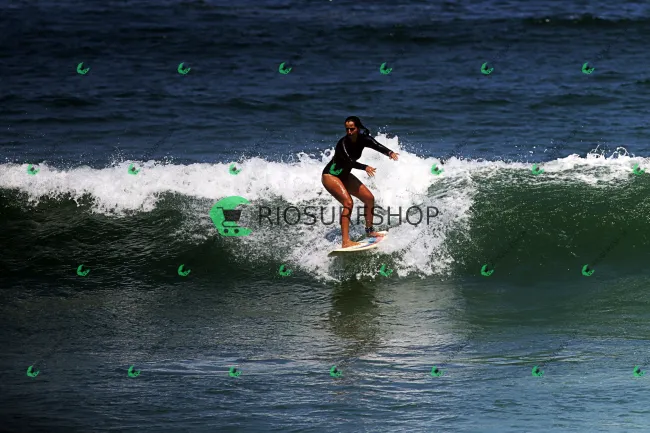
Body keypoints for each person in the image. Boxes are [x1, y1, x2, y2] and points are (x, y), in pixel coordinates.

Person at [321, 116, 399, 248]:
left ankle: (369, 231)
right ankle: (346, 241)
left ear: (357, 128)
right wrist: (365, 167)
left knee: (369, 198)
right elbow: (349, 161)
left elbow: (376, 145)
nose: (349, 132)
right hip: (330, 176)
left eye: (352, 129)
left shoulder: (363, 139)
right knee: (348, 203)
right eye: (347, 129)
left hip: (345, 175)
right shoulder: (342, 143)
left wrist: (390, 152)